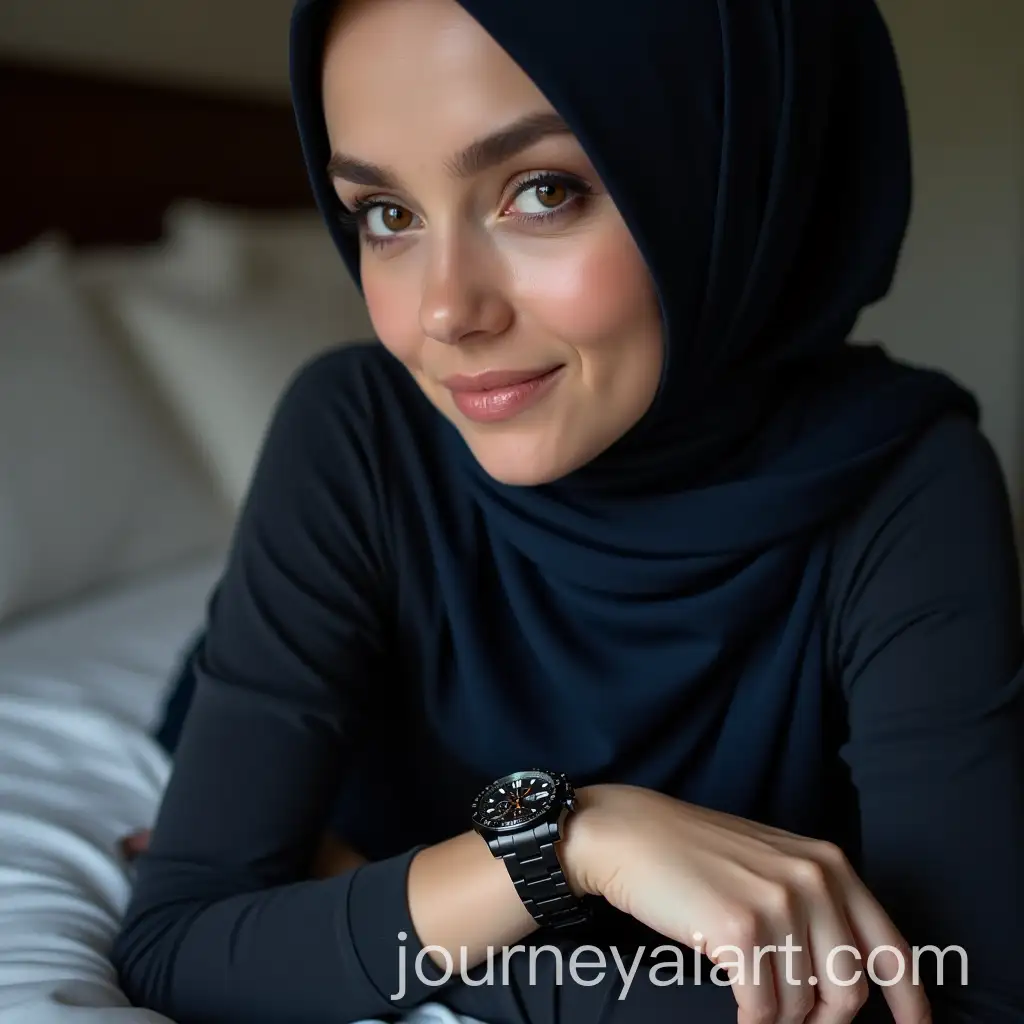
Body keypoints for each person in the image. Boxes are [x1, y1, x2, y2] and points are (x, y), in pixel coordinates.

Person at [110, 0, 1024, 1021]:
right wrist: (567, 844)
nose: (446, 311)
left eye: (541, 191)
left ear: (726, 178)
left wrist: (360, 908)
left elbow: (959, 996)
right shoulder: (359, 431)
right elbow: (176, 943)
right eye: (386, 215)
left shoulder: (904, 482)